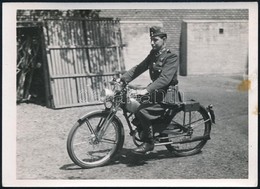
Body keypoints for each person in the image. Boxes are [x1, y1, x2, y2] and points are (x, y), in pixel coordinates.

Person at [120, 26, 179, 154]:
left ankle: (149, 142)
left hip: (168, 95)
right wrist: (123, 79)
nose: (152, 42)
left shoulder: (171, 56)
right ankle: (146, 128)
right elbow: (139, 68)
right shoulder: (153, 54)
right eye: (151, 39)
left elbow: (165, 79)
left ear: (164, 39)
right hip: (156, 93)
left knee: (142, 111)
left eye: (155, 39)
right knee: (133, 102)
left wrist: (146, 90)